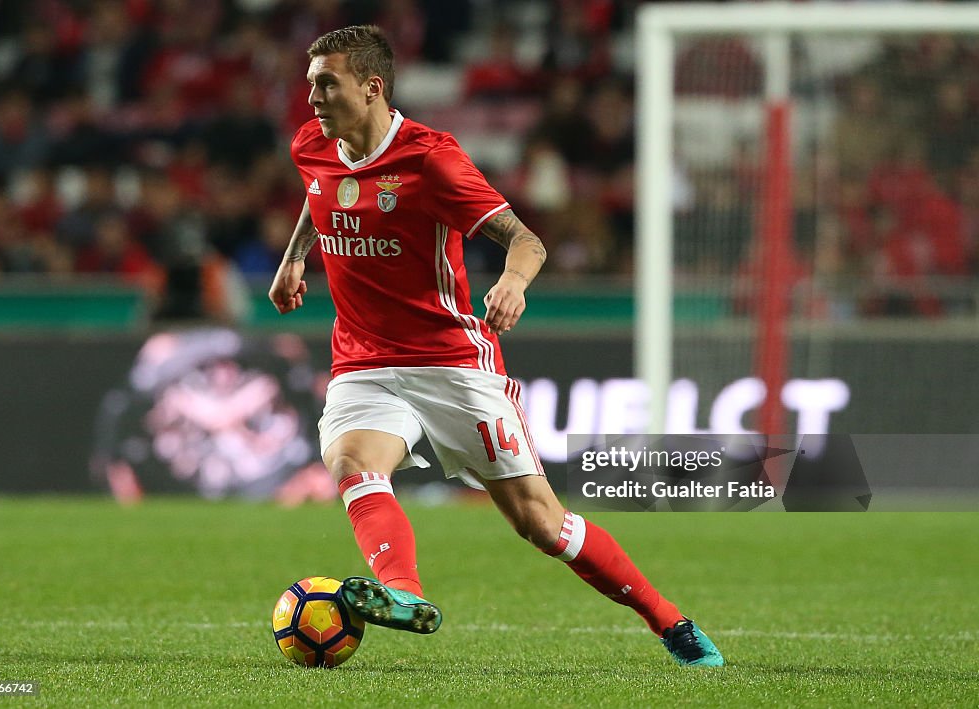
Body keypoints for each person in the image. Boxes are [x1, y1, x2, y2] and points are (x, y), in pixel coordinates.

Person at [269, 25, 724, 667]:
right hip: (364, 359)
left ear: (372, 87)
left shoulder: (432, 159)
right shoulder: (312, 145)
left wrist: (512, 284)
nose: (311, 96)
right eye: (310, 82)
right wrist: (295, 261)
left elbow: (526, 241)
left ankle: (669, 620)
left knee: (543, 524)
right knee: (352, 465)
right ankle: (401, 594)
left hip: (450, 360)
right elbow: (321, 197)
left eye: (326, 82)